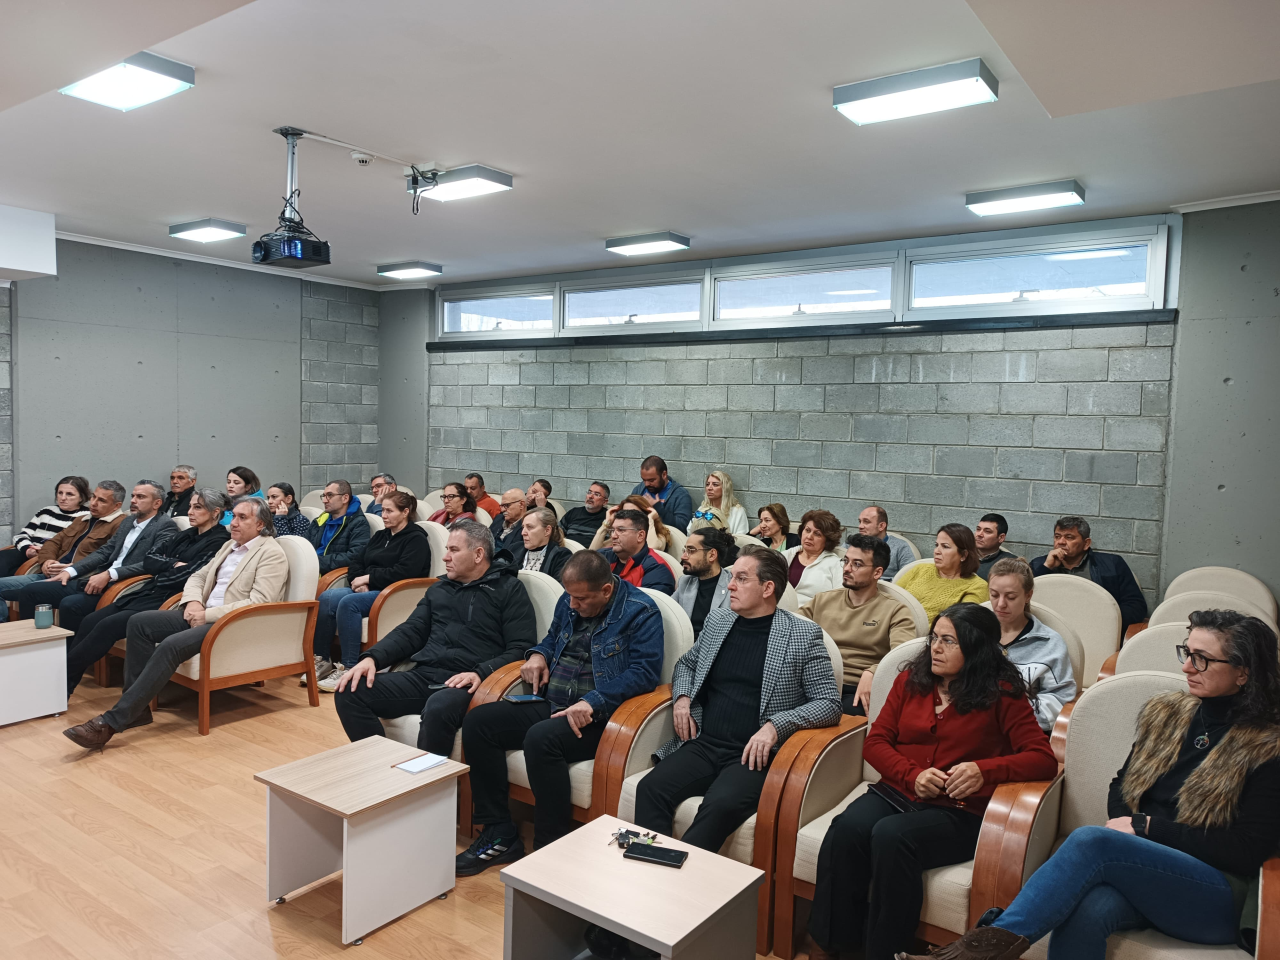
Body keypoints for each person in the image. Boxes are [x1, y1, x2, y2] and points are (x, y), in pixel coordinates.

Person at [908, 610, 1280, 960]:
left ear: (1243, 673)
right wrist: (1131, 831)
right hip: (1144, 868)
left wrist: (1146, 829)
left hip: (1217, 893)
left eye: (1202, 658)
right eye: (1187, 652)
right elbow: (1122, 786)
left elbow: (1246, 851)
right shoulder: (1168, 714)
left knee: (1092, 840)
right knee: (1087, 908)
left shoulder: (1267, 745)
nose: (1185, 666)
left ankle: (979, 950)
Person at [808, 604, 1056, 960]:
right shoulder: (911, 680)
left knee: (892, 837)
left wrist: (984, 770)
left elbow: (1042, 758)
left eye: (949, 642)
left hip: (959, 810)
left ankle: (885, 952)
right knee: (846, 829)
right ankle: (834, 945)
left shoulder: (1002, 692)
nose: (935, 648)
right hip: (899, 790)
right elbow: (876, 742)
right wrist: (912, 774)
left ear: (975, 648)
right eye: (934, 639)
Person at [456, 550, 664, 873]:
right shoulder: (570, 600)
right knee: (479, 722)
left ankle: (549, 849)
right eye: (570, 596)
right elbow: (552, 639)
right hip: (553, 702)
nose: (572, 605)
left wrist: (595, 701)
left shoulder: (640, 612)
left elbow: (644, 673)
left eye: (581, 599)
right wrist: (538, 654)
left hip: (601, 717)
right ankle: (499, 831)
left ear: (605, 591)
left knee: (541, 739)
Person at [635, 545, 842, 851]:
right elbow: (687, 664)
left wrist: (775, 726)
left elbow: (829, 703)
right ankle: (652, 871)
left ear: (768, 588)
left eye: (742, 579)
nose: (729, 585)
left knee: (718, 807)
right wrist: (682, 698)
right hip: (705, 742)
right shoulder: (719, 621)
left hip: (752, 756)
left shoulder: (802, 635)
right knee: (650, 788)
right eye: (732, 577)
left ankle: (681, 885)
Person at [62, 497, 289, 749]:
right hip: (201, 612)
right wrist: (193, 603)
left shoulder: (271, 554)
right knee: (139, 622)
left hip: (230, 624)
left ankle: (113, 721)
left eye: (242, 518)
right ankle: (138, 709)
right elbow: (198, 576)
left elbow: (259, 603)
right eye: (233, 516)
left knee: (170, 645)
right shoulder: (230, 546)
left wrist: (208, 616)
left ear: (260, 524)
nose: (233, 523)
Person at [333, 520, 537, 755]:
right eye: (447, 549)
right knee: (348, 690)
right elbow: (412, 630)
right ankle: (382, 769)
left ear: (478, 554)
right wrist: (372, 658)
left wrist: (481, 672)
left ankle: (433, 786)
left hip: (469, 683)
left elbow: (521, 647)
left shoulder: (509, 589)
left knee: (438, 707)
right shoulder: (440, 589)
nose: (445, 557)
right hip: (426, 675)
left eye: (454, 550)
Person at [65, 489, 230, 696]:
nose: (190, 512)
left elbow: (190, 575)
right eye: (190, 506)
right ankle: (66, 680)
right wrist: (173, 564)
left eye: (197, 507)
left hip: (169, 599)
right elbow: (150, 559)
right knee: (91, 620)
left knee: (107, 626)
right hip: (146, 591)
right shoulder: (185, 534)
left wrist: (163, 571)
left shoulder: (220, 540)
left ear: (215, 512)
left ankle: (62, 681)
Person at [15, 481, 177, 633]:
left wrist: (110, 574)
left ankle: (68, 658)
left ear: (157, 503)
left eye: (140, 497)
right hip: (96, 578)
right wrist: (70, 571)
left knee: (70, 604)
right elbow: (104, 551)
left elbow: (152, 563)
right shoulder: (129, 521)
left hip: (124, 586)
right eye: (133, 496)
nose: (133, 501)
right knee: (31, 591)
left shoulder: (165, 526)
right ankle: (33, 647)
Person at [312, 491, 432, 692]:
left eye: (389, 511)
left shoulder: (416, 540)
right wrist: (357, 581)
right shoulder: (380, 535)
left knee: (349, 604)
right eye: (383, 510)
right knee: (327, 597)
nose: (383, 515)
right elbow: (357, 561)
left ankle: (349, 666)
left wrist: (369, 578)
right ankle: (323, 659)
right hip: (369, 589)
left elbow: (405, 572)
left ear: (405, 512)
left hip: (394, 594)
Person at [800, 534, 917, 716]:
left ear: (877, 572)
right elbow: (790, 630)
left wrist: (873, 672)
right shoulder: (823, 600)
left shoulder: (896, 610)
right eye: (846, 561)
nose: (847, 568)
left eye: (857, 564)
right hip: (815, 679)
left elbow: (904, 656)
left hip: (856, 688)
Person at [0, 481, 126, 621]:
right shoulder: (82, 520)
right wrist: (47, 561)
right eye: (93, 497)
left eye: (101, 500)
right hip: (48, 573)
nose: (94, 503)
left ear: (116, 506)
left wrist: (73, 568)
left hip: (75, 579)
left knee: (30, 592)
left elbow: (108, 558)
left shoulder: (120, 525)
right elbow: (53, 542)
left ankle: (30, 638)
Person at [987, 557, 1076, 732]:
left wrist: (1009, 714)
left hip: (1023, 730)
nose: (1001, 604)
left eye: (1011, 597)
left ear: (1028, 595)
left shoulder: (1049, 643)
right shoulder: (974, 632)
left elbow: (1061, 699)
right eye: (994, 595)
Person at [1030, 516, 1148, 633]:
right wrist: (1046, 568)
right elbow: (1026, 599)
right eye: (1057, 537)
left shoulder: (1112, 564)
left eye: (1069, 537)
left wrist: (1102, 621)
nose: (1061, 542)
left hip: (1098, 632)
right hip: (1050, 630)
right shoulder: (1039, 564)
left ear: (1086, 543)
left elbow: (1136, 606)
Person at [895, 524, 990, 621]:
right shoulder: (919, 569)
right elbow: (891, 597)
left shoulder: (977, 587)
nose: (937, 551)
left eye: (945, 546)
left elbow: (961, 625)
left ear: (964, 555)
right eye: (936, 545)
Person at [0, 475, 90, 577]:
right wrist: (28, 549)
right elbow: (21, 536)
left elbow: (71, 547)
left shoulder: (85, 517)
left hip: (47, 559)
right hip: (27, 552)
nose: (63, 498)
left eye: (70, 494)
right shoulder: (47, 511)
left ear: (81, 497)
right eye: (60, 493)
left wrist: (43, 552)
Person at [674, 528, 738, 639]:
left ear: (712, 555)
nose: (683, 556)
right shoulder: (685, 582)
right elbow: (670, 616)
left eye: (691, 550)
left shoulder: (733, 586)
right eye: (685, 550)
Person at [599, 509, 675, 595]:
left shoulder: (657, 570)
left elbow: (644, 606)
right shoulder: (601, 556)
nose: (613, 536)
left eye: (621, 530)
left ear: (640, 535)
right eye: (612, 530)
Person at [305, 480, 371, 575]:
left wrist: (315, 562)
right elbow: (305, 545)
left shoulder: (358, 523)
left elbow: (354, 557)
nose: (324, 500)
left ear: (345, 498)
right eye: (323, 496)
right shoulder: (319, 521)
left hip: (329, 575)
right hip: (309, 570)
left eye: (330, 495)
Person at [783, 509, 844, 604]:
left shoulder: (836, 565)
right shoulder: (785, 556)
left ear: (827, 540)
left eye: (817, 534)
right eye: (807, 530)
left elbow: (841, 599)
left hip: (813, 616)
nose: (809, 536)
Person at [588, 494, 672, 553]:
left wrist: (649, 519)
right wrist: (606, 524)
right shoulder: (621, 536)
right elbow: (593, 553)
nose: (627, 517)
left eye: (633, 513)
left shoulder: (658, 535)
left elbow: (651, 549)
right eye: (624, 513)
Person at [630, 455, 693, 533]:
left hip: (666, 542)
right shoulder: (639, 490)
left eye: (651, 480)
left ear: (664, 474)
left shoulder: (681, 495)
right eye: (644, 480)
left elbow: (683, 527)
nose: (646, 484)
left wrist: (658, 508)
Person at [511, 507, 572, 581]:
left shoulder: (561, 556)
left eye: (530, 527)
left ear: (547, 530)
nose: (523, 533)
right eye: (523, 527)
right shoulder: (514, 548)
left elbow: (558, 589)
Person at [857, 505, 917, 581]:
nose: (860, 526)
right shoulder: (851, 544)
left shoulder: (900, 547)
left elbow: (910, 577)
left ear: (881, 526)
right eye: (860, 521)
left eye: (866, 521)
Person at [690, 471, 748, 535]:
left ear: (725, 488)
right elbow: (690, 531)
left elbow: (741, 539)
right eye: (707, 484)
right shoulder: (702, 509)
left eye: (715, 484)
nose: (709, 488)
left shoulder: (737, 511)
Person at [559, 481, 609, 546]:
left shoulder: (608, 518)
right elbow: (558, 532)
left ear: (605, 502)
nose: (590, 496)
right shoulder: (574, 512)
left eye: (597, 494)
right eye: (589, 492)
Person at [974, 513, 1017, 581]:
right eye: (978, 529)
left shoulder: (1011, 564)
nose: (979, 534)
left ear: (1001, 538)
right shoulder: (963, 555)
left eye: (987, 531)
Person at [490, 488, 530, 553]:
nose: (502, 510)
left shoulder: (528, 527)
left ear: (521, 505)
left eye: (506, 505)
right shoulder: (499, 518)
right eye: (502, 506)